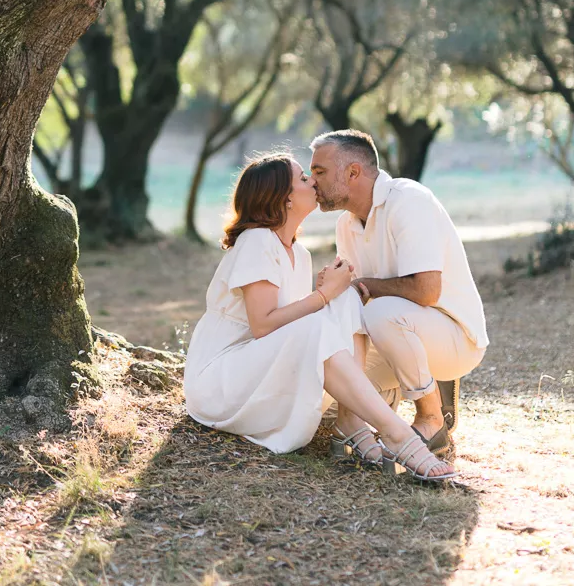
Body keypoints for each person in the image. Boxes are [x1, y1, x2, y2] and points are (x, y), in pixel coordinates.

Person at [184, 152, 455, 481]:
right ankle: (399, 435)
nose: (312, 181)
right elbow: (264, 325)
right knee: (323, 313)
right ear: (283, 198)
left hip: (257, 370)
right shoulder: (257, 241)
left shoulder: (299, 252)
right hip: (221, 383)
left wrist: (332, 294)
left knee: (350, 299)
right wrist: (323, 295)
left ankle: (351, 420)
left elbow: (293, 328)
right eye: (302, 178)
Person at [310, 130, 488, 457]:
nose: (311, 181)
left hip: (453, 336)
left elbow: (426, 289)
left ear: (353, 172)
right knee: (325, 382)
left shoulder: (408, 200)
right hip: (394, 334)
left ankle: (431, 420)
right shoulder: (346, 225)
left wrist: (366, 286)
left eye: (319, 171)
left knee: (379, 312)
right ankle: (360, 416)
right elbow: (354, 299)